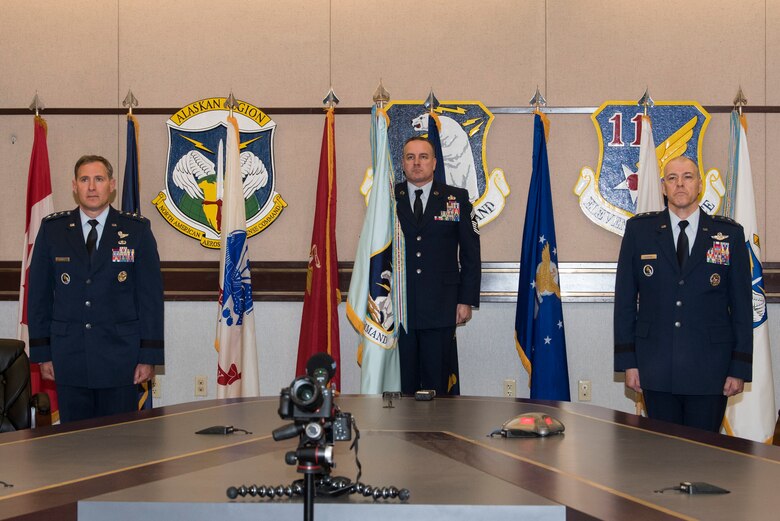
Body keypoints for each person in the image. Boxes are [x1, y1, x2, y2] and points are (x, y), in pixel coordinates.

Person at [614, 155, 752, 432]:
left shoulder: (729, 235)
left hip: (711, 368)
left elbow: (741, 308)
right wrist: (628, 362)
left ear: (699, 185)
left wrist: (739, 367)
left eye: (688, 177)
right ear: (663, 186)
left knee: (704, 453)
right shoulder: (640, 231)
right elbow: (625, 302)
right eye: (672, 178)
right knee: (663, 454)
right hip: (655, 367)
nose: (680, 184)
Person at [27, 155, 164, 422]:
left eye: (99, 179)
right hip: (69, 357)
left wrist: (148, 356)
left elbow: (150, 299)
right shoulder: (52, 230)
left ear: (111, 185)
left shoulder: (136, 230)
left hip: (121, 358)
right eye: (84, 179)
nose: (92, 187)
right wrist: (43, 354)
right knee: (75, 444)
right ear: (74, 186)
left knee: (118, 442)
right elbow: (39, 297)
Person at [394, 137, 481, 395]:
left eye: (423, 157)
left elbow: (470, 254)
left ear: (434, 162)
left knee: (437, 385)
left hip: (441, 306)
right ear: (403, 163)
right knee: (404, 386)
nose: (417, 163)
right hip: (400, 308)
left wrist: (465, 300)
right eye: (410, 157)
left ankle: (438, 436)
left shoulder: (455, 199)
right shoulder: (389, 199)